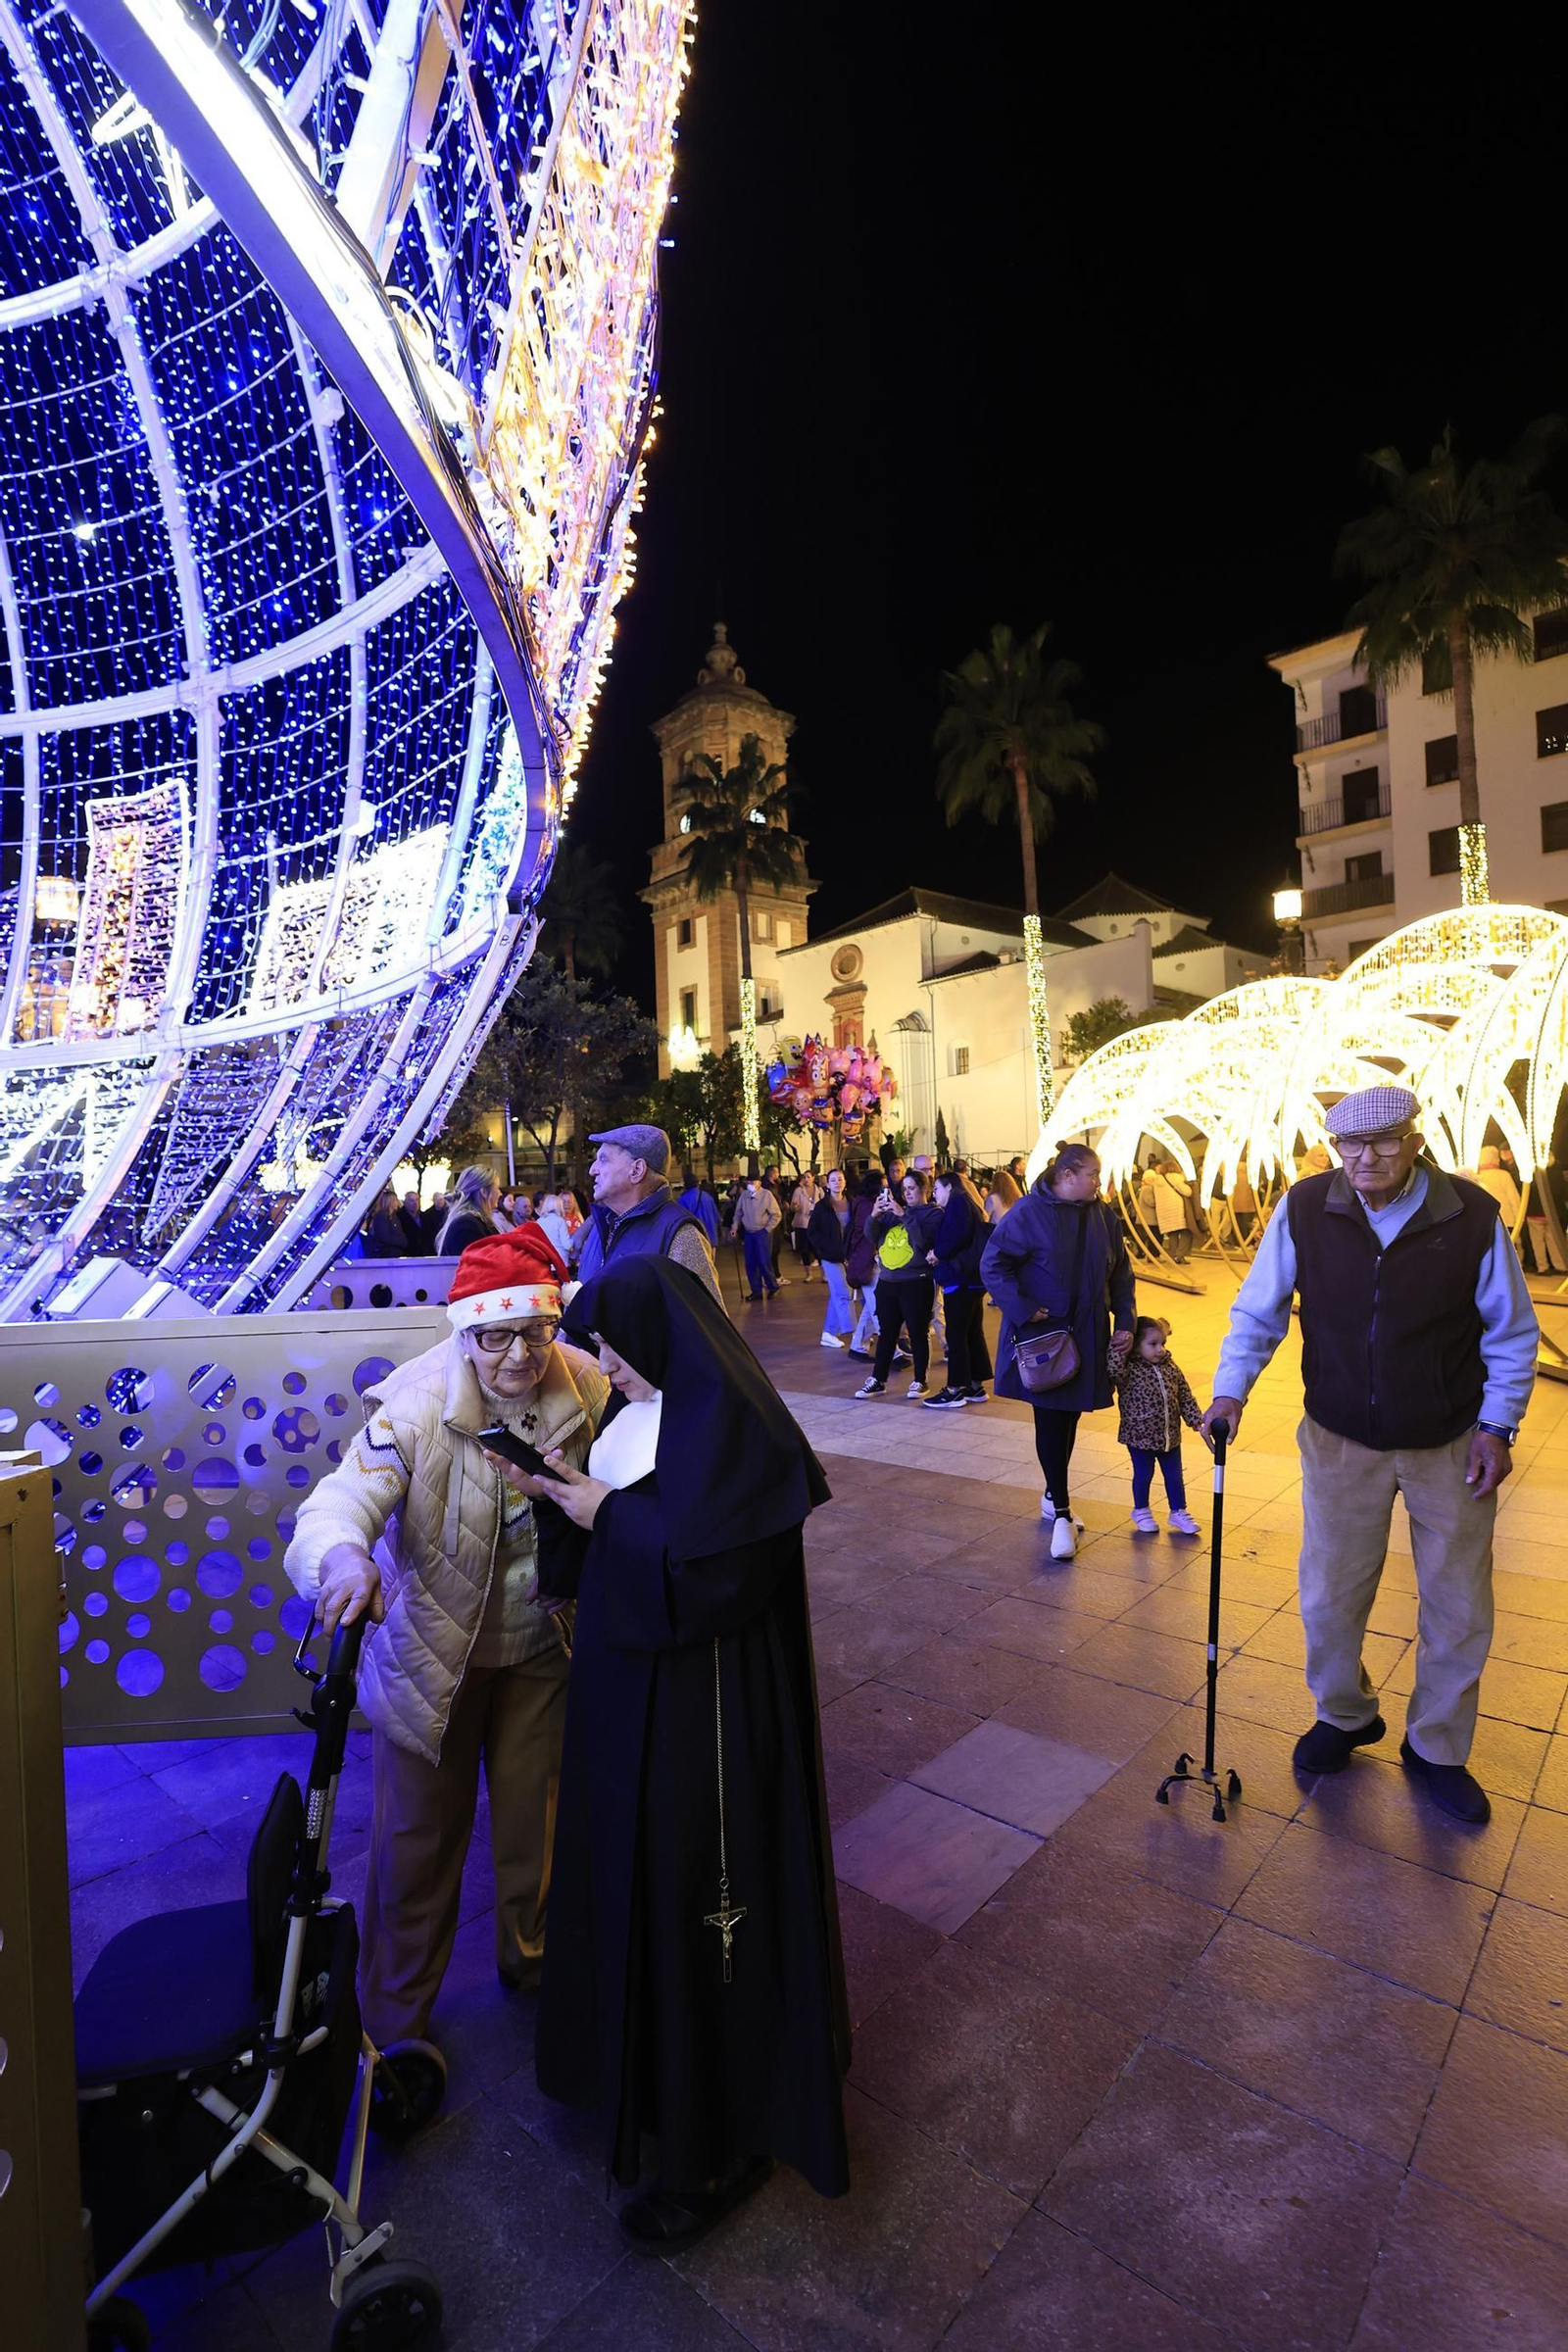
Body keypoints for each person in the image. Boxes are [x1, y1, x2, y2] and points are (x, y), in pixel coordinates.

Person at [515, 1257, 850, 2247]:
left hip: (705, 1721)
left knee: (698, 1905)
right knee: (638, 1892)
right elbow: (630, 1539)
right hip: (634, 1702)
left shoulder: (734, 1429)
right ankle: (648, 2082)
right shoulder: (636, 1420)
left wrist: (605, 1512)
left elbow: (712, 1578)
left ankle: (718, 2139)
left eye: (613, 1349)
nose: (605, 1368)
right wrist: (562, 1494)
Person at [283, 1226, 609, 2057]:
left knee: (538, 1829)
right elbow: (337, 1503)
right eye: (494, 1336)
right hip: (433, 1654)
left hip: (541, 1646)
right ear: (464, 1332)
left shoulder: (589, 1387)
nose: (516, 1356)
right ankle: (391, 2025)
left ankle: (535, 1966)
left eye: (535, 1332)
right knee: (415, 1848)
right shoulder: (418, 1404)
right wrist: (344, 1558)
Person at [1203, 1083, 1539, 1824]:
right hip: (1339, 1437)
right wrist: (1230, 1391)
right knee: (1326, 1597)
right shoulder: (1306, 1208)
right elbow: (1258, 1309)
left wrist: (1498, 1426)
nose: (1364, 1158)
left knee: (1457, 1605)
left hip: (1450, 1440)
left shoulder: (1470, 1215)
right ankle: (1347, 1714)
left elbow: (1512, 1333)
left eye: (1384, 1142)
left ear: (1416, 1142)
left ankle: (1437, 1748)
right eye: (1349, 1145)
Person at [981, 1143, 1136, 1559]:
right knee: (1050, 1420)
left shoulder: (1104, 1216)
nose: (1099, 1183)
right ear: (1068, 1175)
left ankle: (1053, 1494)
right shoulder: (1029, 1213)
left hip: (1088, 1335)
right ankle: (1062, 1512)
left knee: (1067, 1420)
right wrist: (1023, 1308)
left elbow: (1122, 1274)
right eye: (1092, 1175)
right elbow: (993, 1263)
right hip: (1045, 1339)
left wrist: (1126, 1322)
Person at [574, 1125, 721, 1303]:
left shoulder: (679, 1234)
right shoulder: (600, 1227)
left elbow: (704, 1323)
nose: (593, 1170)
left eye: (603, 1160)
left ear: (637, 1170)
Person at [1112, 1315, 1203, 1535]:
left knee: (1174, 1475)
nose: (1160, 1349)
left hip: (1169, 1436)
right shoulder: (1129, 1369)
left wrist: (1195, 1418)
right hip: (1139, 1437)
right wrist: (1118, 1346)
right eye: (1152, 1344)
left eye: (1162, 1343)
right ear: (1136, 1346)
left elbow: (1184, 1395)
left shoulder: (1171, 1367)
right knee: (1144, 1474)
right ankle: (1141, 1510)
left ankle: (1178, 1511)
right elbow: (1113, 1370)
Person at [856, 1170, 943, 1399]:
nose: (908, 1193)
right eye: (904, 1190)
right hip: (888, 1281)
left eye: (912, 1188)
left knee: (917, 1331)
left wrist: (904, 1214)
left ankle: (920, 1380)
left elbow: (924, 1241)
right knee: (887, 1333)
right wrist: (874, 1215)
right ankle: (878, 1379)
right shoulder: (890, 1214)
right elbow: (871, 1236)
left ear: (925, 1189)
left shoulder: (933, 1213)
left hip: (916, 1281)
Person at [922, 1170, 992, 1407]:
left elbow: (956, 1235)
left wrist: (937, 1253)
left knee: (957, 1334)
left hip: (959, 1279)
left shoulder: (958, 1203)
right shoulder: (969, 1203)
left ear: (950, 1187)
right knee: (972, 1332)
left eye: (937, 1189)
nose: (934, 1194)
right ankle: (975, 1385)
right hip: (971, 1279)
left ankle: (954, 1389)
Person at [807, 1168, 865, 1348]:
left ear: (845, 1182)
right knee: (843, 1294)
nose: (837, 1182)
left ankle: (829, 1333)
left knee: (837, 1294)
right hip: (830, 1257)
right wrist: (824, 1247)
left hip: (847, 1255)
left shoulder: (852, 1203)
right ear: (827, 1183)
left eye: (840, 1179)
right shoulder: (822, 1206)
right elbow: (812, 1231)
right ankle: (855, 1333)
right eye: (833, 1180)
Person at [844, 1168, 883, 1358]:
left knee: (871, 1306)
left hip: (868, 1259)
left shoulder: (861, 1203)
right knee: (878, 1306)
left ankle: (858, 1346)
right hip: (868, 1260)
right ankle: (892, 1353)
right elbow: (869, 1232)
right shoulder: (868, 1206)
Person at [729, 1173, 782, 1299]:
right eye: (749, 1183)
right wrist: (734, 1227)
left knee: (764, 1261)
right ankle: (756, 1290)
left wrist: (767, 1229)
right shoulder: (744, 1196)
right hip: (749, 1232)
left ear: (759, 1183)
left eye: (753, 1183)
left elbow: (776, 1214)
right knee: (750, 1263)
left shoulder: (766, 1195)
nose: (751, 1185)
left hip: (762, 1232)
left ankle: (773, 1286)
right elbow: (738, 1213)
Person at [437, 1166, 505, 1254]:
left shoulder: (472, 1222)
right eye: (497, 1188)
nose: (500, 1193)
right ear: (484, 1192)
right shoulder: (466, 1225)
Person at [1475, 1146, 1523, 1252]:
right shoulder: (1504, 1175)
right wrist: (1519, 1218)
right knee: (1509, 1251)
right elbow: (1514, 1199)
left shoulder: (1476, 1177)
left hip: (1486, 1221)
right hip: (1507, 1220)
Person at [1147, 1158, 1193, 1262]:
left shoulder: (1157, 1180)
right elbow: (1187, 1192)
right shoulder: (1175, 1177)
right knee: (1187, 1232)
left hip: (1164, 1212)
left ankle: (1173, 1256)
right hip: (1176, 1210)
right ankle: (1179, 1255)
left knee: (1173, 1234)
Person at [789, 1170, 822, 1279]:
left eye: (808, 1177)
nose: (806, 1179)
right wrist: (795, 1207)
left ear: (813, 1178)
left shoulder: (819, 1190)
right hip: (802, 1223)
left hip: (816, 1224)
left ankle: (824, 1274)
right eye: (805, 1177)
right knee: (804, 1250)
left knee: (818, 1249)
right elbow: (792, 1207)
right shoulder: (798, 1191)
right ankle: (808, 1274)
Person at [679, 1165, 722, 1251]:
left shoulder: (683, 1199)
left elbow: (680, 1221)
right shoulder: (708, 1197)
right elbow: (717, 1218)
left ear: (685, 1184)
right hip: (711, 1238)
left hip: (696, 1239)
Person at [535, 1191, 575, 1258]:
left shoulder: (538, 1221)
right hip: (560, 1260)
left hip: (545, 1259)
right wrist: (574, 1238)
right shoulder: (560, 1221)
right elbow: (567, 1245)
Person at [400, 1190, 432, 1255]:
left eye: (417, 1200)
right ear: (405, 1202)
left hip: (425, 1255)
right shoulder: (399, 1217)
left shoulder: (425, 1217)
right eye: (412, 1200)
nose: (415, 1203)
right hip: (408, 1255)